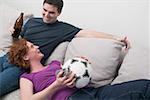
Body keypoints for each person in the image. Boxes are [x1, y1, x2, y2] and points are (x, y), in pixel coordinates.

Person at [0, 0, 130, 96]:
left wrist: (115, 37)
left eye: (51, 13)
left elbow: (87, 32)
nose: (46, 15)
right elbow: (20, 42)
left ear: (59, 13)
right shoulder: (32, 22)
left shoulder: (63, 29)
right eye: (44, 10)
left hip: (20, 67)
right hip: (8, 57)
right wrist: (13, 33)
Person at [8, 39, 150, 100]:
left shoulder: (55, 64)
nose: (37, 47)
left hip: (94, 91)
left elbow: (75, 77)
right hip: (74, 98)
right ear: (25, 56)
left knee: (144, 87)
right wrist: (56, 85)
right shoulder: (27, 78)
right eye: (32, 47)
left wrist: (80, 64)